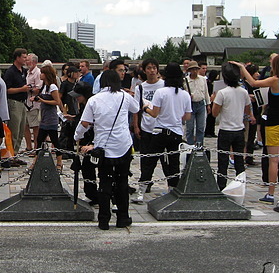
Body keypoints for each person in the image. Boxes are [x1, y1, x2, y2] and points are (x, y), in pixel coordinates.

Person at [232, 55, 279, 203]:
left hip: (274, 123)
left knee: (273, 160)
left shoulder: (274, 80)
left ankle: (271, 193)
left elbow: (253, 82)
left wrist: (242, 68)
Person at [75, 69, 139, 230]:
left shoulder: (94, 100)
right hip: (123, 145)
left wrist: (77, 136)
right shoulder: (125, 96)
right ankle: (123, 217)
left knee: (104, 181)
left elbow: (84, 123)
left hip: (103, 146)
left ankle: (104, 219)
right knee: (122, 181)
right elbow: (136, 108)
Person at [142, 63, 192, 191]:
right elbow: (187, 117)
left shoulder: (161, 92)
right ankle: (173, 188)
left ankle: (142, 188)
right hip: (176, 131)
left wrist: (146, 108)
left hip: (160, 131)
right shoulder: (185, 94)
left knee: (150, 161)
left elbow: (154, 113)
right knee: (173, 162)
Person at [212, 62, 251, 190]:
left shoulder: (222, 93)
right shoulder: (243, 92)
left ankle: (221, 186)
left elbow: (214, 113)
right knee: (239, 162)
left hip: (225, 129)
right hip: (239, 129)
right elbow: (247, 110)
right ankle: (240, 186)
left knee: (222, 162)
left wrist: (214, 99)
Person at [131, 58, 165, 204]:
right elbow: (136, 108)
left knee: (165, 158)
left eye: (154, 68)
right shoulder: (141, 87)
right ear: (144, 70)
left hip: (162, 126)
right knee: (146, 158)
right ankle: (145, 182)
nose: (152, 71)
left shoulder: (164, 85)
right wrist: (136, 126)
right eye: (149, 68)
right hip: (146, 126)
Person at [34, 64, 64, 170]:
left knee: (55, 140)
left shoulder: (52, 86)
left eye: (42, 73)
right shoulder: (44, 87)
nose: (40, 75)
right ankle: (36, 161)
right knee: (39, 139)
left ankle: (59, 162)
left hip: (51, 118)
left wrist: (43, 101)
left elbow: (57, 101)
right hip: (44, 117)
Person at [2, 48, 30, 155]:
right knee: (14, 129)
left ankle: (16, 153)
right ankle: (11, 154)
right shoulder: (10, 72)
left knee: (21, 130)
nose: (25, 59)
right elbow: (7, 89)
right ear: (17, 58)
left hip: (23, 103)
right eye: (23, 57)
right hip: (14, 102)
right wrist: (21, 89)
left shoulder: (23, 71)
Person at [183, 62, 210, 145]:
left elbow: (206, 92)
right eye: (193, 69)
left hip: (201, 103)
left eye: (196, 69)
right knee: (189, 127)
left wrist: (208, 104)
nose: (195, 71)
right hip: (190, 105)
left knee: (201, 127)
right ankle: (190, 145)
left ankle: (199, 145)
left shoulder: (203, 79)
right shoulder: (185, 80)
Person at [24, 54, 41, 150]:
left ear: (34, 62)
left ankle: (36, 148)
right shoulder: (27, 72)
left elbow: (39, 89)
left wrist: (28, 89)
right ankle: (28, 147)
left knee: (35, 127)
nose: (26, 62)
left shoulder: (37, 73)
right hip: (26, 103)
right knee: (25, 126)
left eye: (28, 60)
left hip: (34, 104)